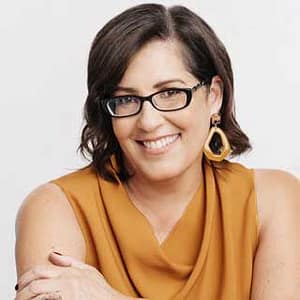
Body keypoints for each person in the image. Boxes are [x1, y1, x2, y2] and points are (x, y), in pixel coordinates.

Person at [14, 3, 300, 300]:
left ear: (214, 96)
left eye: (170, 93)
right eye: (125, 99)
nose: (149, 121)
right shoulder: (55, 208)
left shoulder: (273, 201)